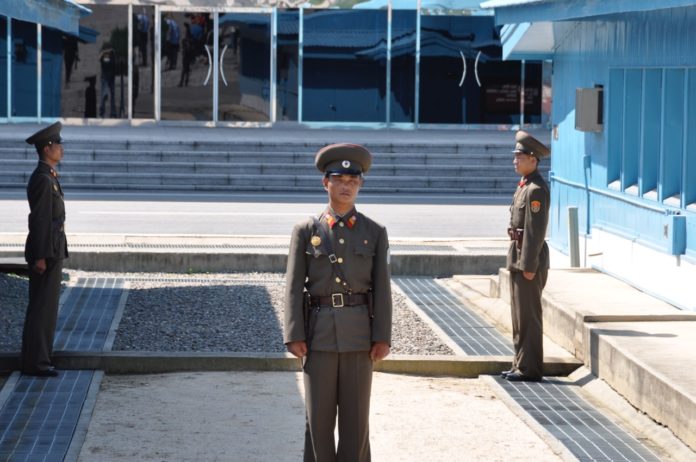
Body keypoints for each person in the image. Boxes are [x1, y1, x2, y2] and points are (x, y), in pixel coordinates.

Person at [284, 143, 392, 462]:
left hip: (360, 336)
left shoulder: (374, 232)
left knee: (356, 423)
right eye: (339, 179)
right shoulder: (306, 231)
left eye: (352, 180)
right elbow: (293, 285)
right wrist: (294, 333)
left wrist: (382, 337)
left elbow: (382, 289)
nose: (346, 186)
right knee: (317, 421)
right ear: (325, 183)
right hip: (317, 336)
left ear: (360, 184)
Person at [501, 131, 551, 382]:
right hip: (518, 256)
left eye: (519, 157)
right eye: (515, 157)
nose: (515, 161)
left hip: (529, 260)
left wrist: (529, 265)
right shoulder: (524, 186)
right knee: (519, 316)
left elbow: (535, 231)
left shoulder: (536, 190)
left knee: (529, 317)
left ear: (533, 159)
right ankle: (519, 363)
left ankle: (531, 368)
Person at [22, 122, 69, 377]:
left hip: (52, 249)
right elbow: (39, 220)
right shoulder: (42, 180)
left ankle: (41, 358)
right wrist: (40, 255)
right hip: (46, 252)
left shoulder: (48, 176)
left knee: (46, 308)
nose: (61, 149)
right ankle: (36, 363)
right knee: (41, 308)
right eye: (57, 144)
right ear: (46, 148)